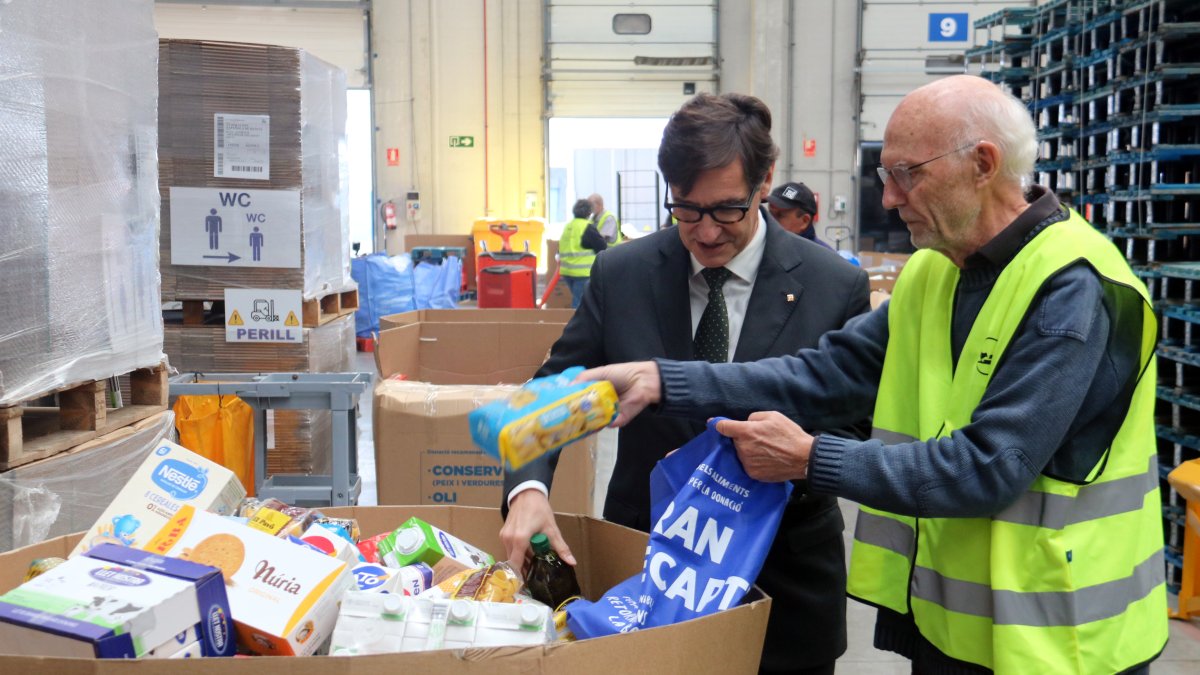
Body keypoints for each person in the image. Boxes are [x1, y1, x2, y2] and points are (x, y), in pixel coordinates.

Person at [579, 75, 1167, 674]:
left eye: (906, 174)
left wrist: (811, 458)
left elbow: (992, 465)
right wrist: (666, 380)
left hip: (1064, 641)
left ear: (983, 164)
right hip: (957, 627)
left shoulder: (1074, 289)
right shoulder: (935, 273)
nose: (888, 198)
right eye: (886, 176)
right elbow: (826, 374)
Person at [501, 92, 871, 674]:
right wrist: (528, 492)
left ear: (765, 182)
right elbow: (552, 393)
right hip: (645, 574)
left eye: (726, 209)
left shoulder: (831, 284)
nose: (703, 232)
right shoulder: (623, 274)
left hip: (782, 582)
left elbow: (853, 424)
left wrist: (784, 462)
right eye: (685, 210)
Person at [559, 198, 607, 309]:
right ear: (589, 212)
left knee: (581, 301)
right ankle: (577, 326)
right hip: (582, 273)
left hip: (567, 272)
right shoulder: (587, 227)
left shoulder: (568, 226)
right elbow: (602, 246)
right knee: (579, 305)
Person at [766, 182, 832, 250]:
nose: (770, 220)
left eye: (780, 215)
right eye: (770, 213)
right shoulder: (764, 248)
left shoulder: (823, 258)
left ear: (804, 221)